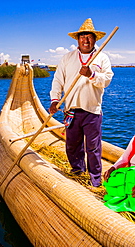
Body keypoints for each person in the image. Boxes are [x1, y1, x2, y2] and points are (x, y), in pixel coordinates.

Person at [49, 18, 114, 187]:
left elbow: (106, 80)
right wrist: (55, 100)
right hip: (71, 110)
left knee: (93, 147)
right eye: (82, 37)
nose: (85, 40)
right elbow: (58, 81)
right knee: (72, 145)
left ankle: (95, 178)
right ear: (77, 39)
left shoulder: (102, 58)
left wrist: (91, 74)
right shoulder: (67, 58)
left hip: (92, 110)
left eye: (89, 37)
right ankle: (78, 171)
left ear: (95, 39)